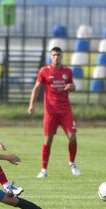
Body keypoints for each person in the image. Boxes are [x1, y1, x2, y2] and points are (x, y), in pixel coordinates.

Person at [28, 46, 80, 178]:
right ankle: (44, 170)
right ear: (50, 57)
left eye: (58, 55)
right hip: (50, 112)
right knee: (48, 140)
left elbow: (72, 86)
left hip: (65, 111)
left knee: (72, 136)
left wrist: (72, 87)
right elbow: (37, 88)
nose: (56, 57)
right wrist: (31, 105)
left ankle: (72, 163)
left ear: (62, 56)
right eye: (54, 55)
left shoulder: (67, 71)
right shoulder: (44, 71)